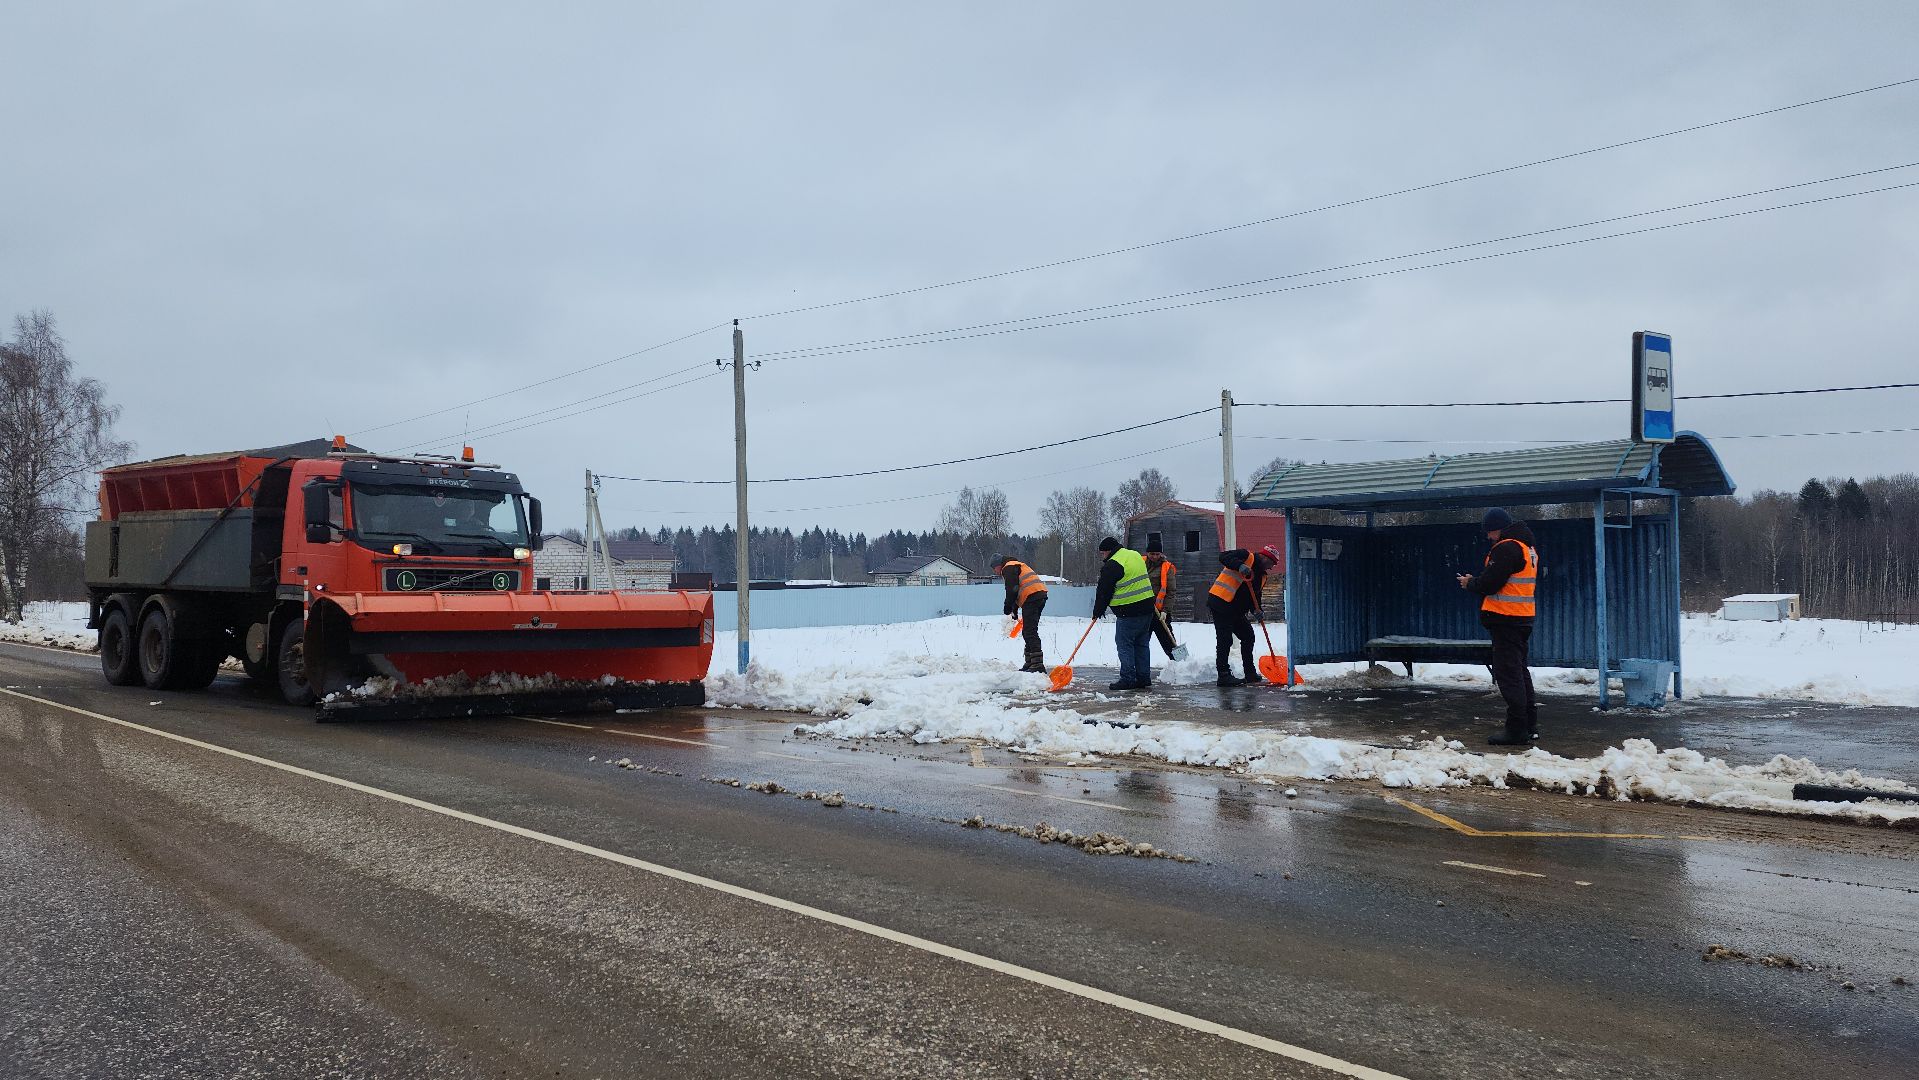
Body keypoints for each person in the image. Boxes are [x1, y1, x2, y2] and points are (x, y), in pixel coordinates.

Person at [1457, 507, 1539, 745]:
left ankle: (1516, 730)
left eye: (1490, 533)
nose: (1488, 537)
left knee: (1509, 674)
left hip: (1507, 619)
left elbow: (1492, 583)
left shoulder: (1507, 547)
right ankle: (1529, 725)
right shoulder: (1527, 547)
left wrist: (1471, 583)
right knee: (1520, 672)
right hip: (1521, 618)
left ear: (1497, 529)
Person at [1207, 544, 1280, 686]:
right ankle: (1223, 675)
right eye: (1271, 563)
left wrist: (1257, 610)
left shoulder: (1262, 576)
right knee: (1225, 639)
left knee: (1248, 636)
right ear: (1265, 557)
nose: (1271, 567)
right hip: (1221, 602)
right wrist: (1239, 565)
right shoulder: (1246, 556)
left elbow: (1255, 596)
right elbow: (1223, 556)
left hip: (1235, 610)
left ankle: (1250, 673)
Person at [1091, 536, 1158, 691]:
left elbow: (1103, 590)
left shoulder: (1113, 564)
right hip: (1148, 608)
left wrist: (1097, 611)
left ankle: (1127, 678)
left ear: (1108, 551)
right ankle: (1143, 677)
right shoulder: (1134, 554)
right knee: (1141, 644)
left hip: (1129, 611)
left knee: (1124, 644)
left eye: (1103, 553)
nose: (1103, 556)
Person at [992, 553, 1049, 673]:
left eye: (994, 568)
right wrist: (1014, 610)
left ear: (998, 565)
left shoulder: (1008, 568)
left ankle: (1037, 665)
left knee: (1030, 631)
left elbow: (1012, 590)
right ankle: (1030, 663)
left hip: (1032, 597)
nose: (995, 572)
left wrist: (1007, 607)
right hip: (1038, 595)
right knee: (1028, 630)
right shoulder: (1015, 565)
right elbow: (1018, 589)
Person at [1143, 540, 1181, 660]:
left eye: (1157, 554)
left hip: (1160, 614)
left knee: (1169, 642)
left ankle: (1182, 664)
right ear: (1147, 553)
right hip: (1144, 612)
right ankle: (1139, 670)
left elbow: (1171, 591)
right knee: (1141, 644)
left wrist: (1165, 610)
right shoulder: (1140, 563)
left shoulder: (1167, 567)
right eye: (1152, 554)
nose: (1155, 556)